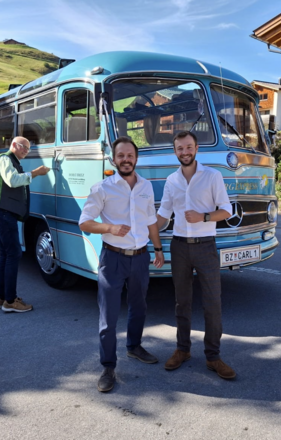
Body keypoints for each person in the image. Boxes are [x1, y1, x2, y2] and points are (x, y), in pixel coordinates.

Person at [79, 136, 164, 393]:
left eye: (130, 155)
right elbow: (84, 222)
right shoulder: (102, 188)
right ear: (113, 159)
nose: (126, 160)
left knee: (139, 306)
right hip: (113, 259)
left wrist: (158, 248)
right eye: (121, 156)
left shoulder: (146, 186)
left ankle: (134, 347)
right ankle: (108, 367)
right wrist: (110, 228)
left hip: (140, 257)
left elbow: (151, 220)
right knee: (109, 316)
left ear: (136, 158)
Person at [157, 130, 236, 379]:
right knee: (182, 302)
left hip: (205, 246)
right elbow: (163, 216)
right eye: (180, 148)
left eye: (189, 147)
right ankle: (182, 350)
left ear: (196, 148)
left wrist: (204, 216)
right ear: (175, 152)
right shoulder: (172, 180)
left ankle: (213, 357)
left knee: (212, 303)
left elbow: (227, 210)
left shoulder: (212, 175)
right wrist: (141, 231)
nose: (185, 152)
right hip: (179, 246)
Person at [0, 136, 50, 313]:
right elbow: (12, 180)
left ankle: (2, 298)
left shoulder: (8, 160)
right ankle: (10, 301)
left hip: (1, 212)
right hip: (3, 213)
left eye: (28, 149)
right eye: (23, 147)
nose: (26, 151)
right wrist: (35, 173)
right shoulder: (5, 159)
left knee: (6, 255)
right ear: (14, 145)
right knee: (13, 254)